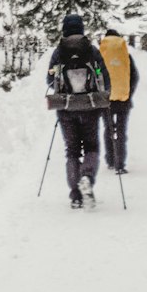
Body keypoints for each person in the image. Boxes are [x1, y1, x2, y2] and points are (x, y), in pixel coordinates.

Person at [46, 12, 110, 209]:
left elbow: (50, 80)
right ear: (81, 29)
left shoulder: (59, 52)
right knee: (92, 147)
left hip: (66, 108)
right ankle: (87, 177)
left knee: (72, 151)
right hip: (90, 106)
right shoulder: (91, 50)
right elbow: (104, 78)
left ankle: (75, 195)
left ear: (64, 29)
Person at [99, 24, 139, 175]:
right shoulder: (125, 55)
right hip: (123, 99)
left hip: (105, 99)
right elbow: (134, 76)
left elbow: (97, 76)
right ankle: (120, 164)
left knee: (108, 129)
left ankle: (110, 160)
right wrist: (128, 94)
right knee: (121, 131)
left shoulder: (101, 55)